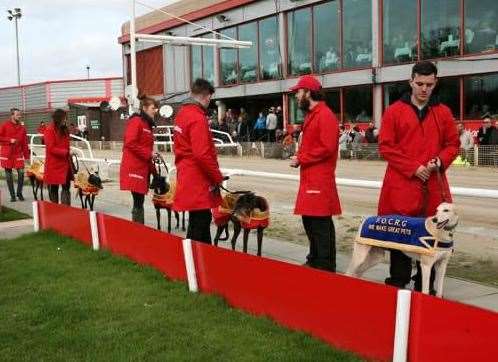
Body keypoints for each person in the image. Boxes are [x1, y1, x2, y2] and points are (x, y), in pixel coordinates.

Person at [378, 61, 460, 292]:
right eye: (420, 84)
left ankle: (428, 287)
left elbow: (452, 144)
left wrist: (440, 161)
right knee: (401, 234)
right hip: (402, 184)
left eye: (429, 85)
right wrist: (413, 167)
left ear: (436, 83)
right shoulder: (394, 110)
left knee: (433, 236)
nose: (424, 89)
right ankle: (398, 284)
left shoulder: (443, 112)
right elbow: (386, 146)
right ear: (410, 81)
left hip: (433, 184)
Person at [289, 75, 341, 272]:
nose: (296, 96)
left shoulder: (324, 115)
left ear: (308, 93)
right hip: (311, 178)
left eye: (298, 92)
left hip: (319, 179)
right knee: (310, 221)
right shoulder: (312, 115)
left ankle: (324, 266)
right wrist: (300, 155)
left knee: (319, 224)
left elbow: (327, 148)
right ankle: (315, 259)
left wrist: (302, 158)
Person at [173, 78, 224, 244]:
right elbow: (202, 154)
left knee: (199, 219)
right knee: (199, 222)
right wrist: (217, 177)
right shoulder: (197, 118)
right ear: (207, 96)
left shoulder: (182, 114)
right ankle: (194, 262)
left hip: (186, 174)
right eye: (210, 97)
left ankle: (204, 260)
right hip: (197, 179)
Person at [120, 95, 158, 223]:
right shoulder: (137, 122)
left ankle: (138, 228)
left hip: (142, 168)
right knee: (138, 200)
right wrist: (149, 154)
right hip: (134, 168)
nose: (155, 110)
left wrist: (153, 169)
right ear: (145, 108)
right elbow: (130, 143)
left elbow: (144, 148)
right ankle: (138, 228)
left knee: (139, 200)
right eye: (153, 108)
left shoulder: (147, 124)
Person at [44, 109, 74, 205]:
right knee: (54, 187)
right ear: (59, 118)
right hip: (54, 164)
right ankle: (55, 208)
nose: (65, 121)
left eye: (66, 119)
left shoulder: (64, 129)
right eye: (64, 118)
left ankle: (66, 209)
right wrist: (66, 152)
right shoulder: (49, 130)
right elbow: (51, 148)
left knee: (66, 187)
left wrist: (68, 153)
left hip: (65, 163)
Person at [0, 108, 29, 202]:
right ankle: (12, 195)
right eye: (17, 115)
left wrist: (27, 157)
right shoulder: (5, 125)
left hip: (18, 153)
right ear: (12, 115)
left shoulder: (22, 128)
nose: (19, 116)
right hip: (7, 153)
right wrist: (9, 140)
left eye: (20, 115)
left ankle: (19, 192)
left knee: (21, 173)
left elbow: (25, 143)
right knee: (8, 175)